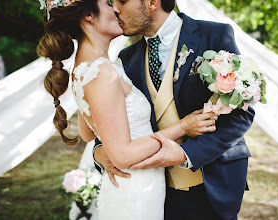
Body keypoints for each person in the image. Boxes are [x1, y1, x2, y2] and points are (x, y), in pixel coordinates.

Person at [36, 0, 216, 219]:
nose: (116, 9)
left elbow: (88, 132)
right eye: (107, 3)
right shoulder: (101, 71)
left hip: (135, 185)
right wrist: (183, 127)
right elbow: (122, 155)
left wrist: (102, 150)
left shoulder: (87, 68)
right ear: (89, 16)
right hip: (135, 190)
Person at [93, 0, 256, 220]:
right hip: (155, 192)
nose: (114, 9)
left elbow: (241, 113)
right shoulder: (126, 59)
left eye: (122, 0)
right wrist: (99, 151)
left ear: (152, 2)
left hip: (211, 185)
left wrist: (185, 153)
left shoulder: (214, 34)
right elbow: (117, 118)